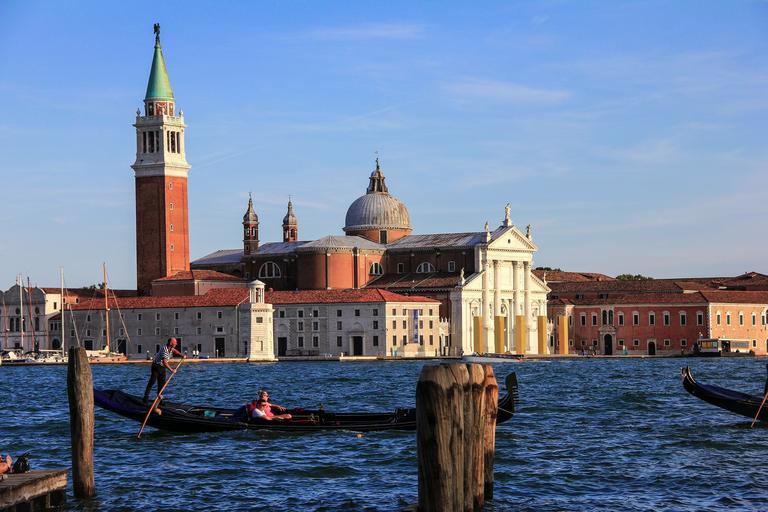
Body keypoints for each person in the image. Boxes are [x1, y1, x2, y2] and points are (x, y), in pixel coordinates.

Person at [142, 338, 185, 404]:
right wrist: (171, 370)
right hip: (156, 366)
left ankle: (159, 400)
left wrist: (181, 355)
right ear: (171, 343)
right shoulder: (164, 350)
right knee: (152, 381)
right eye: (175, 342)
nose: (176, 344)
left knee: (162, 384)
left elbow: (175, 351)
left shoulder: (171, 348)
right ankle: (145, 398)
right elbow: (165, 362)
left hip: (162, 367)